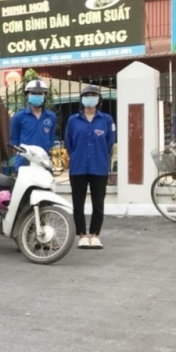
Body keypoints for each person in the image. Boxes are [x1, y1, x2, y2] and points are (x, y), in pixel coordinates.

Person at [64, 85, 115, 250]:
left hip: (99, 168)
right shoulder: (73, 120)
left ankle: (95, 235)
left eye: (93, 95)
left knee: (98, 204)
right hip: (78, 167)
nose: (90, 98)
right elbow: (69, 143)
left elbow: (109, 143)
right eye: (87, 95)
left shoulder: (106, 120)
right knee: (78, 204)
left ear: (99, 99)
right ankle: (82, 235)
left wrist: (100, 156)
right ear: (82, 99)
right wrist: (77, 155)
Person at [9, 79, 58, 169]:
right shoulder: (18, 117)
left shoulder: (51, 117)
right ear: (27, 95)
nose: (37, 96)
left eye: (40, 94)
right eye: (33, 93)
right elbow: (14, 141)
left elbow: (51, 138)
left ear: (45, 96)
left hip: (44, 160)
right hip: (25, 161)